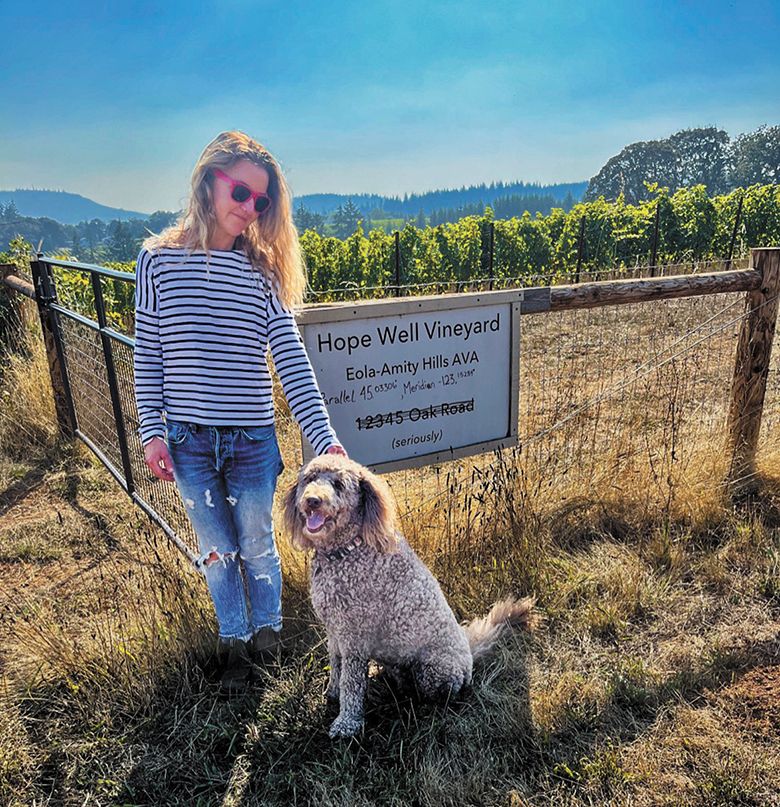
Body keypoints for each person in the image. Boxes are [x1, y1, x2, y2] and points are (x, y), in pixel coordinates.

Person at [133, 130, 346, 691]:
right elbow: (148, 352)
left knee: (256, 542)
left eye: (262, 201)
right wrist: (152, 431)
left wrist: (323, 439)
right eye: (241, 192)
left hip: (253, 441)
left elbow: (292, 360)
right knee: (216, 548)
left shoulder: (264, 273)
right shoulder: (155, 261)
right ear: (209, 181)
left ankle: (268, 638)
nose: (250, 208)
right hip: (188, 442)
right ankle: (233, 644)